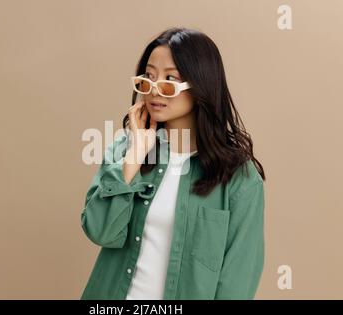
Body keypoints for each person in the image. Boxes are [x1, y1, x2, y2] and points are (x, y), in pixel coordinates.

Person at [80, 27, 266, 300]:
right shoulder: (125, 148)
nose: (155, 90)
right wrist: (134, 155)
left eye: (170, 80)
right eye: (148, 78)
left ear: (200, 86)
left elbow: (238, 280)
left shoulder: (239, 178)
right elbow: (100, 231)